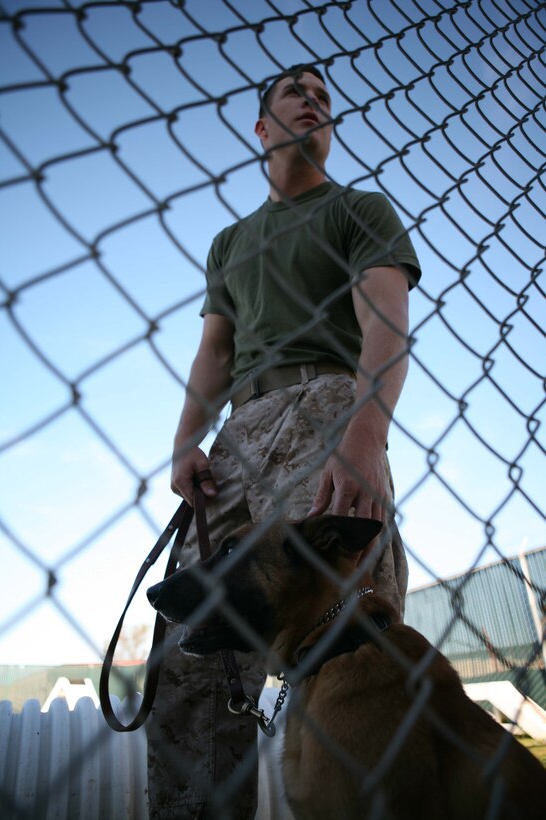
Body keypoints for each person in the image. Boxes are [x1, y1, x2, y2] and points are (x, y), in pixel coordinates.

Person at [147, 64, 421, 820]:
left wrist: (365, 433)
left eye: (324, 99)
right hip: (240, 430)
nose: (314, 103)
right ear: (262, 128)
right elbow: (214, 352)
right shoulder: (229, 242)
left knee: (346, 639)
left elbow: (385, 319)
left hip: (331, 408)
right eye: (296, 93)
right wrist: (184, 441)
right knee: (188, 649)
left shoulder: (358, 210)